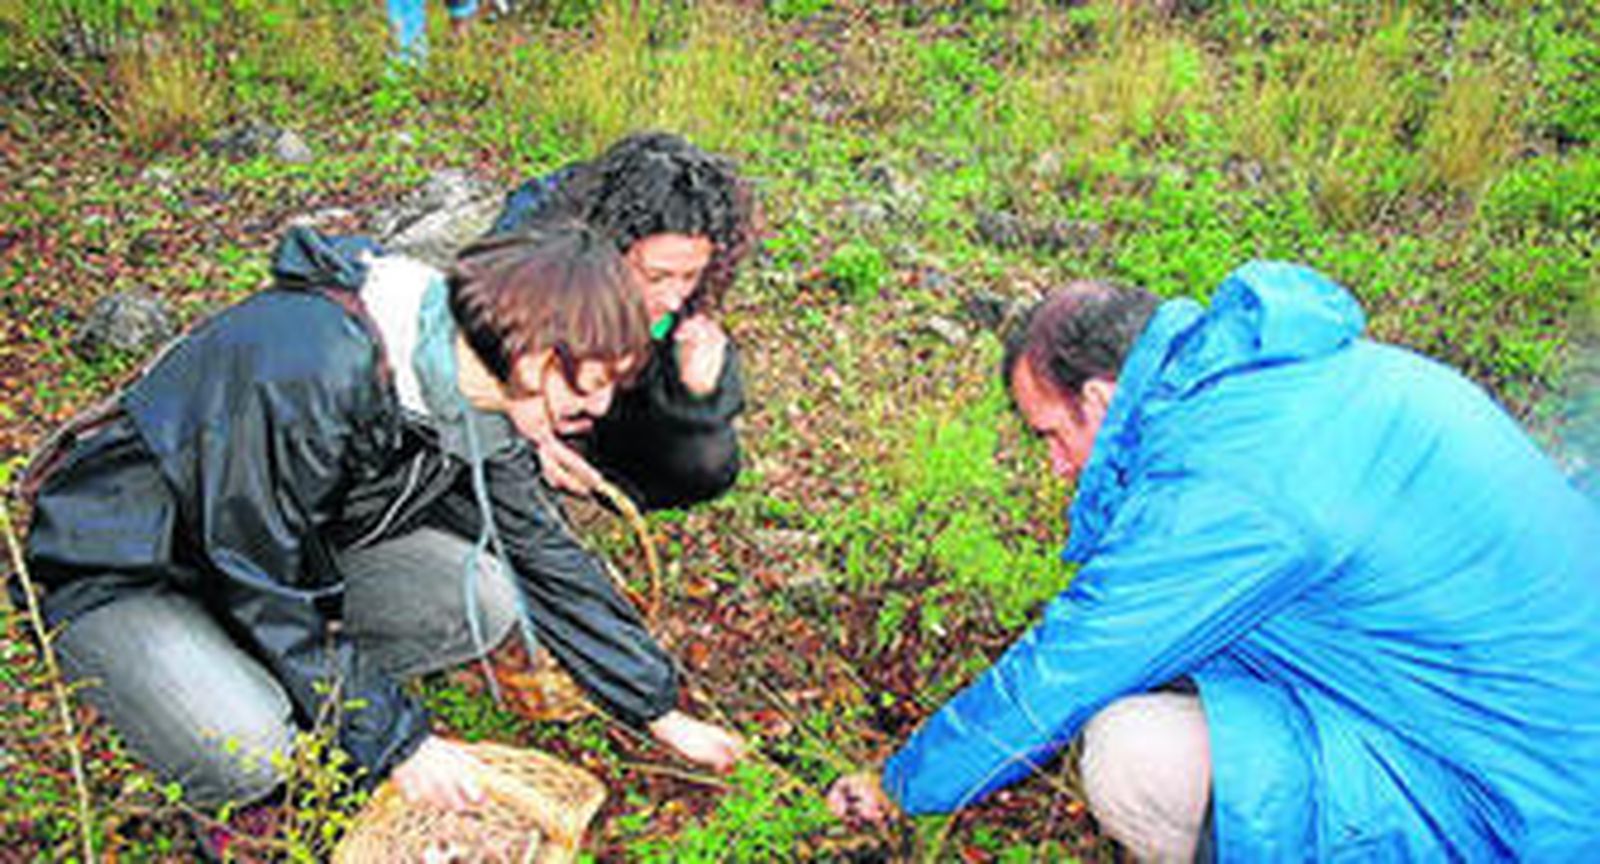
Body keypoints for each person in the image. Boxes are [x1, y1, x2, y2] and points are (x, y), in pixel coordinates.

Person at [828, 262, 1600, 861]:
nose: (1058, 466)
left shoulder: (1234, 477)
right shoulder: (1284, 381)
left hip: (1530, 807)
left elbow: (1071, 665)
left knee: (1132, 751)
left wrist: (901, 788)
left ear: (1099, 401)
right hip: (1519, 725)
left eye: (1050, 435)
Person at [19, 223, 744, 827]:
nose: (597, 409)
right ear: (529, 350)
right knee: (251, 750)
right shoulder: (312, 364)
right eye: (588, 383)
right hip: (132, 568)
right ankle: (232, 779)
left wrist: (656, 708)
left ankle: (292, 691)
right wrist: (402, 742)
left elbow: (545, 555)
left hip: (278, 556)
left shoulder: (482, 402)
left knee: (483, 590)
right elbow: (262, 578)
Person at [488, 131, 755, 510]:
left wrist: (696, 396)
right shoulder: (533, 245)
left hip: (616, 379)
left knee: (706, 458)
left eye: (689, 276)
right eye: (657, 277)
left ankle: (598, 473)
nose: (673, 296)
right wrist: (523, 421)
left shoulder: (692, 247)